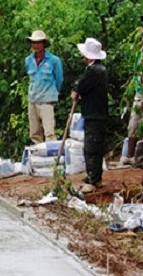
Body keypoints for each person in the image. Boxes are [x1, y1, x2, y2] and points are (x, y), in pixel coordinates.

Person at [71, 38, 109, 194]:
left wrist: (76, 91)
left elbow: (82, 85)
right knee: (96, 146)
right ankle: (96, 177)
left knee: (91, 147)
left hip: (94, 113)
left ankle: (92, 179)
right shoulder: (100, 69)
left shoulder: (94, 71)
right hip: (97, 112)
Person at [24, 30, 64, 144]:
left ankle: (51, 159)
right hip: (33, 99)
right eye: (33, 43)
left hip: (47, 100)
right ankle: (38, 157)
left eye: (38, 42)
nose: (35, 45)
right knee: (34, 133)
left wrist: (53, 92)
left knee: (49, 132)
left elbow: (59, 79)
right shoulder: (28, 60)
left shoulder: (54, 60)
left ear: (43, 44)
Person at [123, 36, 143, 165]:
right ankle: (129, 156)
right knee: (133, 125)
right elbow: (137, 75)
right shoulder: (139, 53)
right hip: (138, 93)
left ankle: (139, 159)